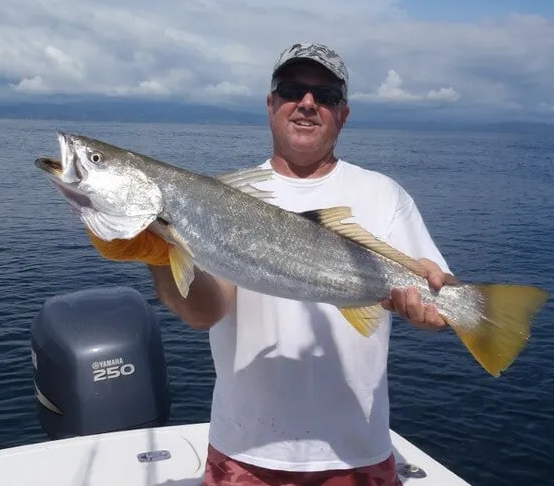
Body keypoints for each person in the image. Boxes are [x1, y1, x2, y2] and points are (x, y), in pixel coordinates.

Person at [86, 43, 459, 485]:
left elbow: (439, 285)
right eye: (292, 89)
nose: (307, 103)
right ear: (270, 104)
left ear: (343, 113)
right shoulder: (228, 201)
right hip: (244, 454)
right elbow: (205, 311)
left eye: (326, 96)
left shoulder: (384, 194)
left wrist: (444, 307)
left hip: (356, 456)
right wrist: (159, 253)